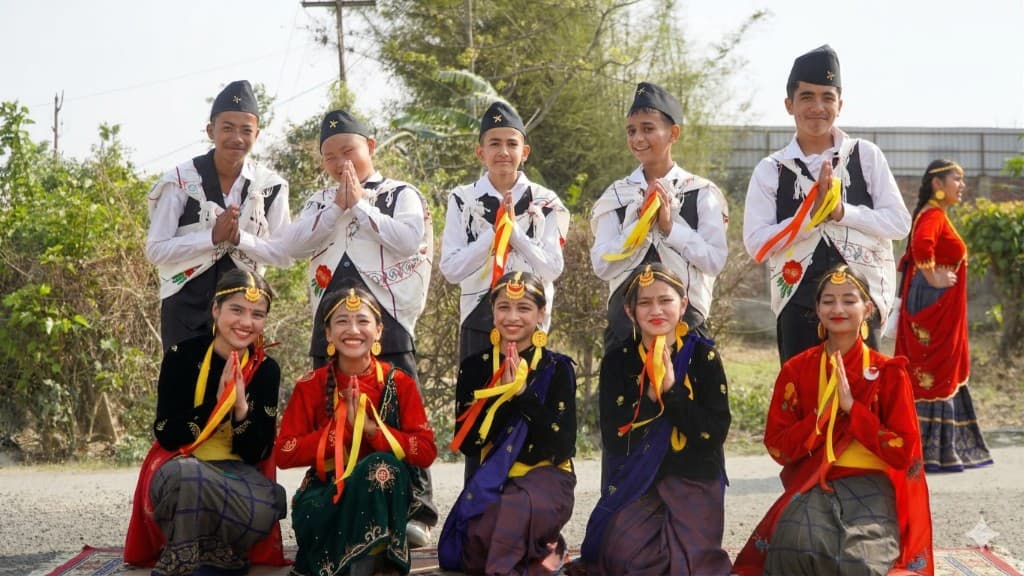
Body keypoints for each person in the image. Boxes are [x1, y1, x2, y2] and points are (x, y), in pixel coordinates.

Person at [276, 109, 438, 544]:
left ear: (371, 147)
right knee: (330, 406)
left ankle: (417, 510)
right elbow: (290, 245)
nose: (339, 161)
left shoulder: (400, 193)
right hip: (329, 317)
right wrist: (335, 210)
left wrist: (360, 206)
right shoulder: (319, 200)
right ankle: (335, 496)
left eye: (348, 150)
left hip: (386, 314)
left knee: (401, 408)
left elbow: (408, 240)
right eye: (329, 156)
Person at [732, 264, 933, 576]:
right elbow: (777, 445)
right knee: (793, 545)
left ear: (868, 309)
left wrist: (853, 410)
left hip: (869, 485)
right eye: (828, 301)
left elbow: (903, 450)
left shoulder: (887, 372)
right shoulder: (797, 370)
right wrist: (821, 416)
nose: (838, 309)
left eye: (849, 300)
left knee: (857, 561)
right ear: (817, 309)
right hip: (815, 481)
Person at [742, 45, 911, 364]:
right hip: (797, 302)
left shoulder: (865, 155)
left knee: (863, 403)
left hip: (861, 303)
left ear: (840, 104)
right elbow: (756, 244)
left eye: (827, 97)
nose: (817, 107)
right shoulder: (772, 169)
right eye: (806, 97)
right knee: (802, 402)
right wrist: (810, 217)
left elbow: (899, 223)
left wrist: (841, 212)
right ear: (789, 104)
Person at [125, 269, 288, 575]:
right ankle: (194, 557)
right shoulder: (182, 356)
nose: (245, 322)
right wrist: (216, 402)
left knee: (268, 506)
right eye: (236, 310)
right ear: (216, 309)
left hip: (238, 480)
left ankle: (209, 551)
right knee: (188, 477)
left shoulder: (266, 369)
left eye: (257, 314)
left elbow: (259, 452)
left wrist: (240, 406)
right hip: (183, 467)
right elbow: (166, 432)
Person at [578, 263, 732, 575]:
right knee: (625, 558)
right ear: (630, 311)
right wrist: (649, 399)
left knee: (690, 565)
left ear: (683, 305)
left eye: (665, 300)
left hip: (694, 476)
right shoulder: (617, 361)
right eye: (645, 303)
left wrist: (672, 392)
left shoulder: (704, 357)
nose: (656, 310)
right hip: (639, 479)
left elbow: (713, 433)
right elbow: (615, 439)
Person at [274, 285, 437, 576]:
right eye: (342, 321)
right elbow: (284, 453)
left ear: (378, 331)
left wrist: (373, 432)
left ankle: (371, 564)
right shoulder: (310, 385)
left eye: (362, 321)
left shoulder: (399, 383)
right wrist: (343, 432)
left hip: (385, 492)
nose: (353, 330)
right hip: (326, 492)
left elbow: (425, 452)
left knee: (380, 468)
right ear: (327, 334)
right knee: (316, 508)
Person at [439, 271, 577, 575]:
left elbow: (564, 445)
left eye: (524, 308)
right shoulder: (475, 367)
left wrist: (524, 394)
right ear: (492, 312)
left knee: (511, 512)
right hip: (495, 477)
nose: (512, 317)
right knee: (472, 546)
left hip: (548, 477)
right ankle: (546, 548)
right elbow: (468, 445)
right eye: (504, 307)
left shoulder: (557, 367)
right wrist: (499, 395)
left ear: (541, 313)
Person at [146, 80, 291, 350]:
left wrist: (240, 239)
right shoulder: (180, 181)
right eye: (227, 128)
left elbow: (284, 254)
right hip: (184, 305)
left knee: (236, 389)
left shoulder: (269, 185)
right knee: (184, 389)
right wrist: (212, 237)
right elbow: (155, 249)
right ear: (211, 131)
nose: (236, 138)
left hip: (244, 310)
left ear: (256, 135)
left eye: (246, 130)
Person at [591, 82, 728, 352]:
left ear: (673, 133)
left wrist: (669, 229)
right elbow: (601, 265)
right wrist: (637, 228)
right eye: (632, 131)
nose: (638, 138)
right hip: (625, 329)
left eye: (648, 129)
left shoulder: (700, 192)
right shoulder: (617, 196)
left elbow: (714, 261)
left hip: (687, 326)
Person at [440, 101, 570, 362]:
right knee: (476, 400)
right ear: (480, 152)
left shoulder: (544, 200)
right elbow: (451, 269)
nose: (503, 151)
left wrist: (515, 235)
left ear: (525, 152)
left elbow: (553, 269)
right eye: (494, 143)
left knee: (529, 398)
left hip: (529, 319)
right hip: (477, 318)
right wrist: (495, 233)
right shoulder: (463, 199)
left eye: (512, 144)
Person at [895, 160, 993, 472]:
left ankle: (936, 450)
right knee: (932, 368)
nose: (962, 185)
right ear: (938, 184)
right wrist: (934, 277)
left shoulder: (933, 214)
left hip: (935, 303)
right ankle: (931, 452)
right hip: (932, 304)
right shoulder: (933, 215)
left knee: (935, 367)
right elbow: (922, 245)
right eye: (957, 179)